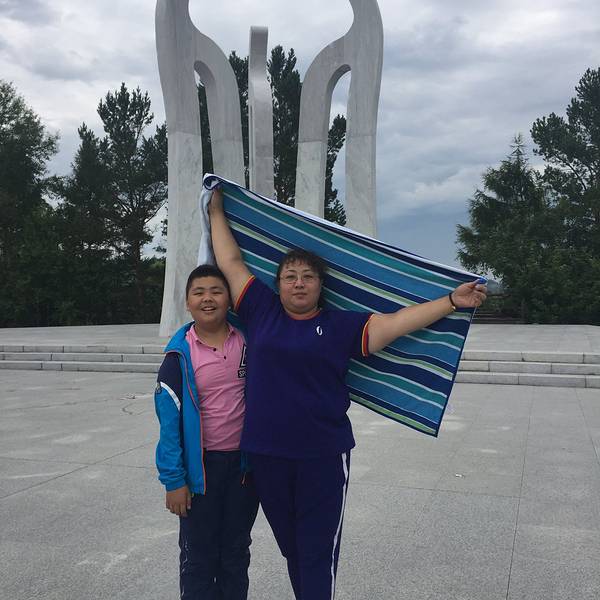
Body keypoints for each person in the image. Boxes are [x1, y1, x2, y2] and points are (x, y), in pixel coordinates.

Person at [208, 188, 487, 600]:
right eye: (290, 276)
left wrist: (450, 301)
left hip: (322, 455)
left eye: (308, 277)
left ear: (321, 285)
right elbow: (231, 263)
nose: (299, 283)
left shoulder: (341, 327)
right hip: (266, 455)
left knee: (316, 552)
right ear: (278, 284)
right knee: (292, 549)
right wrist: (216, 210)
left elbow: (397, 322)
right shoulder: (261, 310)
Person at [154, 264, 259, 600]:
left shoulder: (248, 341)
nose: (208, 298)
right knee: (198, 556)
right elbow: (169, 427)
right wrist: (174, 480)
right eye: (198, 292)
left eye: (216, 291)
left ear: (229, 298)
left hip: (243, 470)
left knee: (236, 552)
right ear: (187, 302)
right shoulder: (178, 357)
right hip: (200, 470)